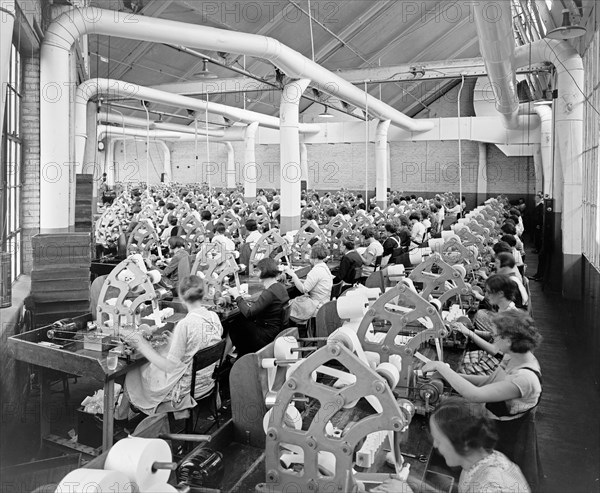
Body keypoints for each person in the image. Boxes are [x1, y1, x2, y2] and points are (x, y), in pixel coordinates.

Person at [421, 310, 543, 490]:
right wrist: (451, 375)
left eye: (495, 336)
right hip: (492, 423)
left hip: (504, 436)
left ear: (508, 340)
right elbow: (488, 382)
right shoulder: (512, 357)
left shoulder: (525, 378)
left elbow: (475, 395)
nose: (493, 340)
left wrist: (442, 367)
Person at [372, 399, 530, 493]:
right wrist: (421, 487)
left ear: (465, 442)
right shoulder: (486, 460)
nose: (435, 445)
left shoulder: (492, 486)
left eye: (439, 441)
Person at [121, 276, 223, 416]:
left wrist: (141, 344)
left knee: (134, 372)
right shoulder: (213, 317)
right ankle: (129, 414)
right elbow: (200, 344)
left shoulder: (185, 324)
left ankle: (124, 416)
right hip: (206, 382)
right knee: (148, 369)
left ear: (181, 297)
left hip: (185, 389)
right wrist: (174, 342)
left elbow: (168, 367)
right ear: (204, 293)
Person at [457, 274, 519, 376]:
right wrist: (473, 331)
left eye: (489, 292)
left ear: (500, 294)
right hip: (500, 356)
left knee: (460, 368)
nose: (485, 295)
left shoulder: (507, 317)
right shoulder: (504, 309)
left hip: (502, 364)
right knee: (464, 357)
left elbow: (494, 350)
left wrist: (469, 333)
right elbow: (493, 336)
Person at [227, 258, 290, 357]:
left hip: (267, 335)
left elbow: (249, 313)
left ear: (264, 272)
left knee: (235, 325)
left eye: (258, 270)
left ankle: (239, 357)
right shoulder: (279, 287)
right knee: (240, 319)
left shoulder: (269, 292)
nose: (256, 273)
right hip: (276, 330)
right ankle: (238, 354)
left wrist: (236, 295)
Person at [285, 243, 333, 323]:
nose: (309, 258)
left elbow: (303, 289)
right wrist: (301, 280)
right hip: (324, 302)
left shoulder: (316, 271)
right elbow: (316, 282)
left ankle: (293, 330)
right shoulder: (324, 267)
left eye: (310, 256)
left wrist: (293, 275)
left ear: (315, 258)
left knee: (290, 305)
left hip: (317, 306)